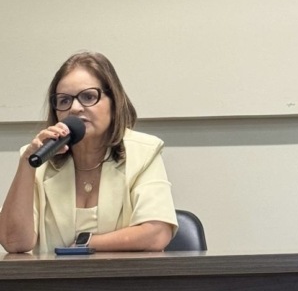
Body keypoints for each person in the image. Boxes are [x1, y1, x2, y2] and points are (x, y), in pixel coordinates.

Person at [0, 51, 178, 253]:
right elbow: (15, 243)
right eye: (64, 100)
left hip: (124, 274)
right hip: (52, 275)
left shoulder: (143, 152)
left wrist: (85, 244)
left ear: (114, 102)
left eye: (88, 97)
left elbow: (156, 234)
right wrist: (27, 163)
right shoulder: (38, 157)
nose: (75, 108)